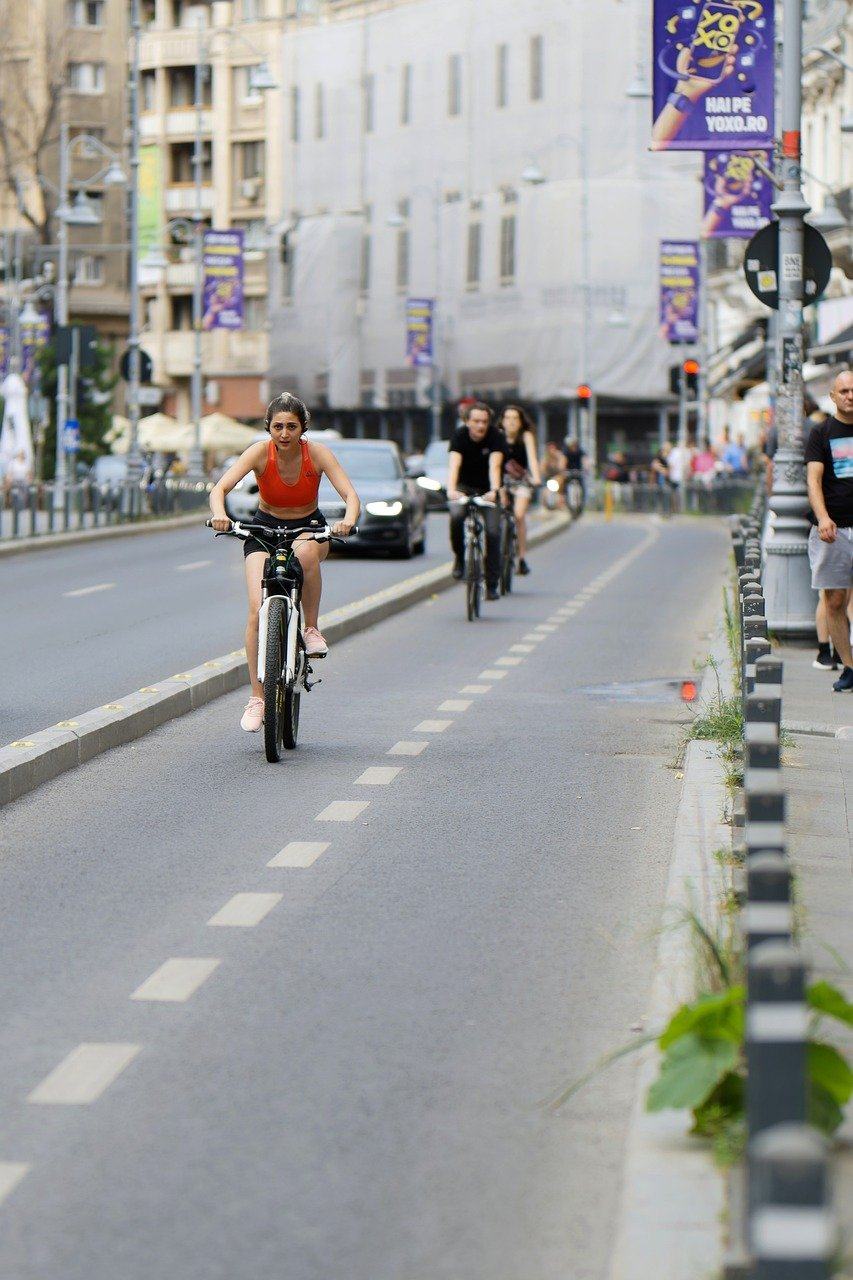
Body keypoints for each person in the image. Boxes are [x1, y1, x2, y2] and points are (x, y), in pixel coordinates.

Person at [209, 392, 360, 731]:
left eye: (292, 426)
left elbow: (350, 495)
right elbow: (219, 489)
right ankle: (258, 697)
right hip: (263, 529)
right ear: (269, 428)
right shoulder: (259, 452)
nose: (284, 433)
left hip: (307, 527)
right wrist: (220, 515)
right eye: (278, 426)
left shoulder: (318, 454)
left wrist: (347, 520)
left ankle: (311, 628)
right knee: (254, 609)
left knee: (306, 554)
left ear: (303, 429)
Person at [805, 369, 853, 692]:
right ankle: (849, 665)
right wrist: (823, 518)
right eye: (844, 391)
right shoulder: (821, 433)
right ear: (833, 397)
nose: (850, 396)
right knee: (835, 600)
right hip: (833, 530)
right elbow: (814, 480)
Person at [447, 401, 505, 600]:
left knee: (494, 531)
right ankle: (460, 560)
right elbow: (454, 465)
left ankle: (492, 584)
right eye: (476, 421)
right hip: (464, 488)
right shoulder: (460, 436)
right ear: (467, 421)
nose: (481, 426)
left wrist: (495, 491)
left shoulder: (496, 436)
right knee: (456, 517)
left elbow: (495, 466)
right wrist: (452, 490)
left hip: (488, 490)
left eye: (485, 422)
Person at [498, 404, 542, 575]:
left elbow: (532, 459)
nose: (511, 422)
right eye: (507, 418)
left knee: (519, 514)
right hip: (501, 482)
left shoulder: (526, 436)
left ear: (521, 421)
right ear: (502, 421)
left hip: (521, 481)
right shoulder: (497, 436)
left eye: (515, 418)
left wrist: (536, 477)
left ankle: (521, 558)